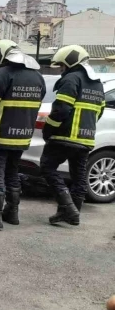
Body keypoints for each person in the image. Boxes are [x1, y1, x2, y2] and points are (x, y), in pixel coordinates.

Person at [0, 40, 45, 231]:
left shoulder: (1, 75)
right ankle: (12, 213)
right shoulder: (38, 77)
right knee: (13, 173)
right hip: (21, 138)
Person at [40, 45, 105, 226]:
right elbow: (98, 112)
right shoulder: (97, 82)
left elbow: (61, 110)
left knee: (47, 168)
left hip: (65, 137)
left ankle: (68, 207)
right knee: (78, 178)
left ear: (70, 62)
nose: (61, 68)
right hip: (86, 139)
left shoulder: (71, 79)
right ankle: (71, 214)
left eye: (62, 65)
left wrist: (49, 129)